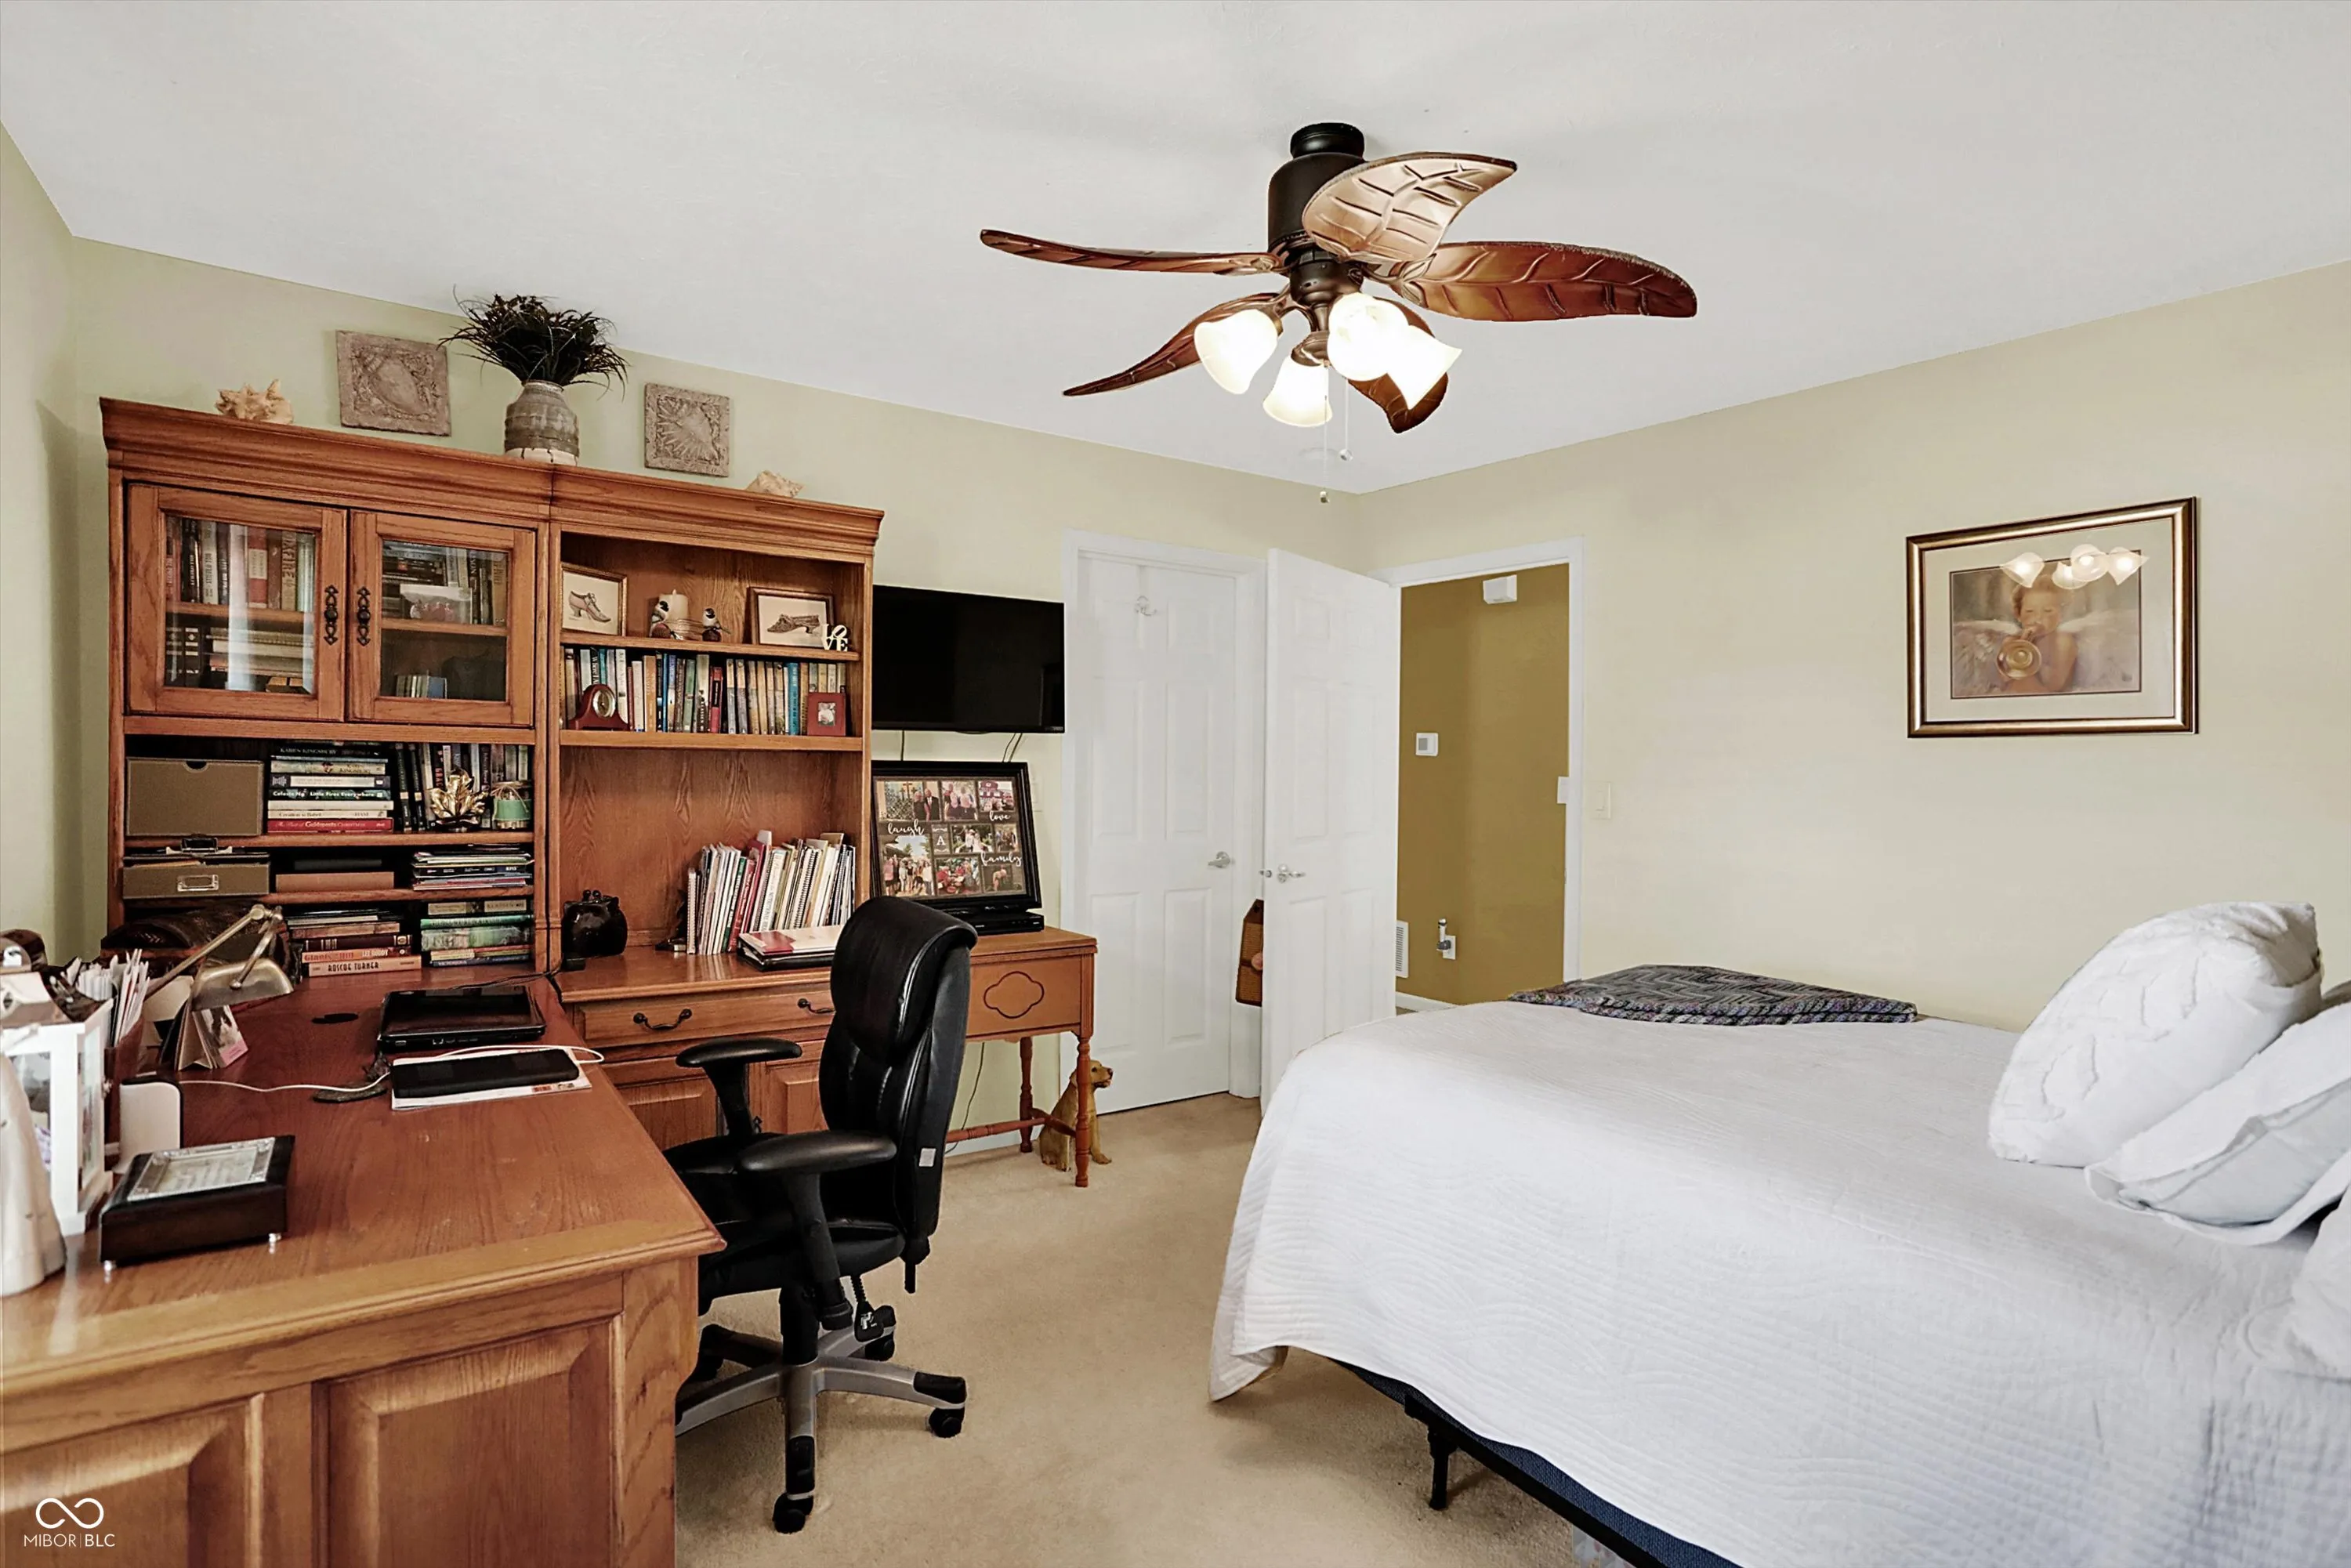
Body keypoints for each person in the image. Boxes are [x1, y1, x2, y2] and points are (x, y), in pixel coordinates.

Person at [1998, 575, 2078, 694]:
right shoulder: (2011, 642)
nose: (2038, 618)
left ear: (2061, 614)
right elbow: (2005, 679)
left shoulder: (2062, 641)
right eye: (2029, 611)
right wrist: (2022, 645)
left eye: (2048, 611)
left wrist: (2033, 656)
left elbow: (2055, 685)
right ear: (2018, 614)